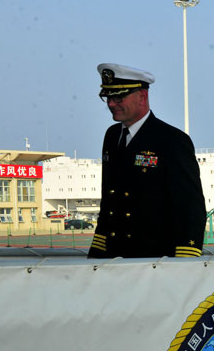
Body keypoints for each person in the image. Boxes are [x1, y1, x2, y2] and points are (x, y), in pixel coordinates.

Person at [88, 63, 206, 259]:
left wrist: (185, 260)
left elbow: (190, 206)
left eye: (118, 98)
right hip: (113, 256)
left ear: (142, 97)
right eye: (108, 98)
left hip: (154, 259)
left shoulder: (172, 140)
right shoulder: (112, 136)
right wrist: (98, 250)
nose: (111, 104)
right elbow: (109, 200)